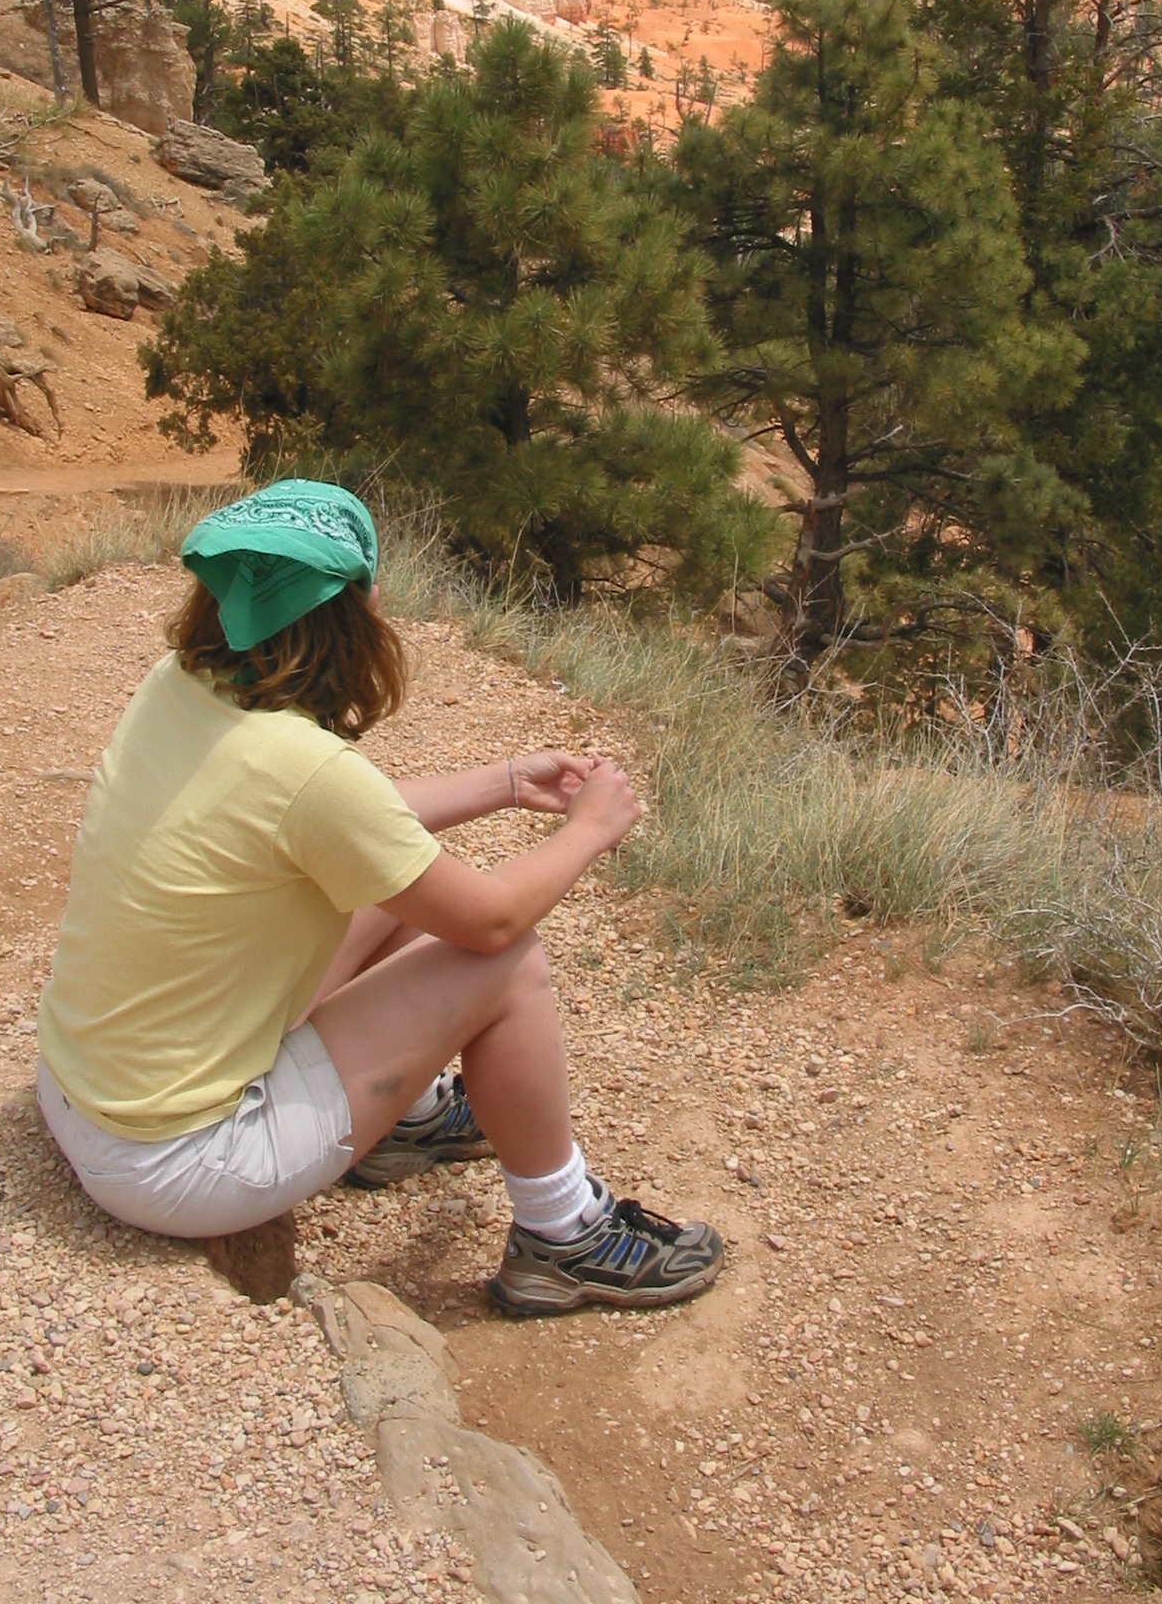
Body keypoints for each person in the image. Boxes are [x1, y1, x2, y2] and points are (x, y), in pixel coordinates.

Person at [36, 479, 723, 1315]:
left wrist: (506, 783)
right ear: (357, 610)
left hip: (85, 1094)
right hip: (174, 1165)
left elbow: (333, 824)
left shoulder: (177, 688)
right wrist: (588, 831)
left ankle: (408, 1118)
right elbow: (490, 917)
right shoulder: (304, 771)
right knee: (503, 962)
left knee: (399, 887)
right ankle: (564, 1234)